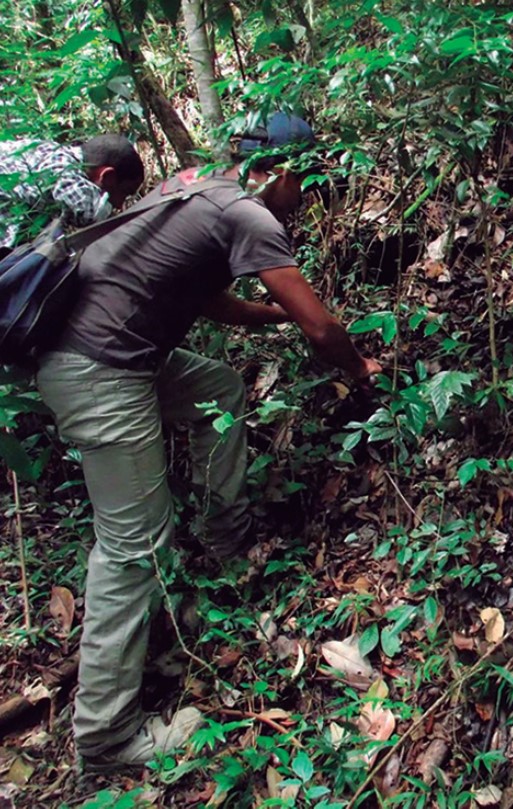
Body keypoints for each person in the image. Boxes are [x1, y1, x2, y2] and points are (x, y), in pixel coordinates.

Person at [34, 112, 382, 773]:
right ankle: (105, 738)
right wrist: (357, 364)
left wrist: (278, 314)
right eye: (306, 184)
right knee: (133, 548)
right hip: (99, 369)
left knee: (217, 388)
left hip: (104, 352)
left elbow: (211, 302)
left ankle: (228, 539)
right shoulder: (251, 215)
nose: (305, 199)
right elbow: (323, 331)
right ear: (281, 171)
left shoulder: (193, 185)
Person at [0, 135, 145, 252]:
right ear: (107, 177)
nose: (119, 205)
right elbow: (86, 214)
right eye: (124, 192)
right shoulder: (61, 165)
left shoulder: (48, 149)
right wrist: (106, 207)